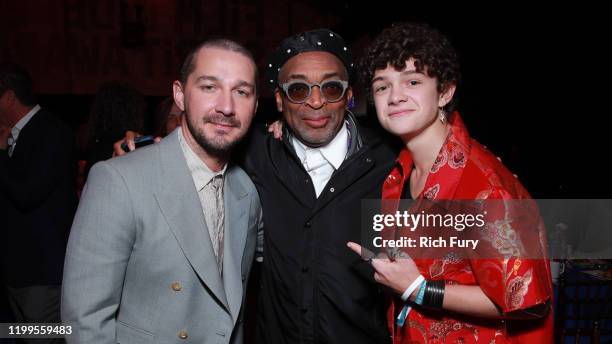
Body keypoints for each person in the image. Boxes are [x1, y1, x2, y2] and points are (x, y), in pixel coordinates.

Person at [116, 29, 397, 344]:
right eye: (298, 89)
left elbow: (450, 260)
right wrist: (143, 152)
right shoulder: (255, 155)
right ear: (279, 100)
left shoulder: (391, 163)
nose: (316, 101)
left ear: (348, 96)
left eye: (331, 88)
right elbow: (195, 147)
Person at [348, 22, 553, 343]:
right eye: (382, 86)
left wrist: (419, 289)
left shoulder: (484, 189)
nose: (395, 96)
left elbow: (529, 304)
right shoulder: (398, 173)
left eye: (412, 81)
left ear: (445, 92)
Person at [61, 39, 263, 343]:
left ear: (256, 105)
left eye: (242, 92)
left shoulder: (245, 191)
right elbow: (85, 320)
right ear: (180, 95)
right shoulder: (119, 180)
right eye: (209, 87)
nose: (226, 106)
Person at [0, 62, 77, 344]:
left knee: (46, 338)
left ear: (9, 97)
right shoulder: (14, 134)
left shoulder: (52, 132)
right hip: (17, 271)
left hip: (42, 274)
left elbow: (27, 193)